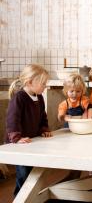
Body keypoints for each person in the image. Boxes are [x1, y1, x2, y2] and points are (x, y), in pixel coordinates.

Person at [5, 64, 52, 196]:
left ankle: (30, 197)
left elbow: (43, 115)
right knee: (24, 174)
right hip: (19, 143)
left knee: (33, 173)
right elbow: (12, 119)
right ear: (30, 82)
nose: (45, 86)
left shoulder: (40, 97)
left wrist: (44, 129)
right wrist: (17, 138)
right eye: (43, 83)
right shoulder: (20, 97)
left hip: (31, 142)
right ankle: (20, 197)